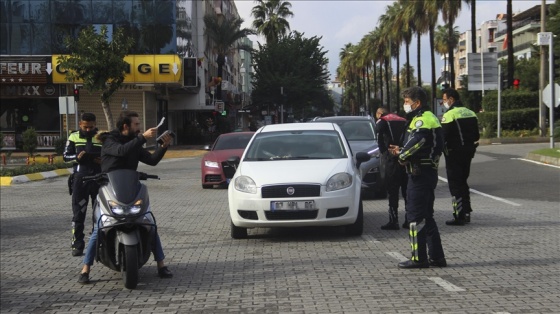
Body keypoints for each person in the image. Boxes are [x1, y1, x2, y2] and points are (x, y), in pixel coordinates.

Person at [77, 110, 174, 284]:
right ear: (125, 126)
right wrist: (142, 138)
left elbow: (151, 160)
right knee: (101, 225)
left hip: (130, 188)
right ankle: (85, 269)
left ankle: (161, 264)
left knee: (149, 222)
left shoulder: (135, 142)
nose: (139, 128)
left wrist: (163, 147)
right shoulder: (109, 140)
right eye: (136, 124)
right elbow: (121, 151)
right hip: (108, 189)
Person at [388, 86, 447, 269]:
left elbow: (418, 142)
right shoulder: (427, 118)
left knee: (414, 217)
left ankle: (418, 257)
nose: (405, 105)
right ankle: (436, 258)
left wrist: (401, 156)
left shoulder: (423, 120)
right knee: (427, 217)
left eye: (407, 101)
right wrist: (403, 151)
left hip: (420, 174)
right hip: (425, 173)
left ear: (417, 102)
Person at [63, 113, 102, 257]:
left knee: (99, 214)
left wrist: (102, 160)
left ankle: (98, 244)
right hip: (81, 180)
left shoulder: (101, 136)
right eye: (85, 127)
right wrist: (77, 158)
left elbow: (109, 156)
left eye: (91, 127)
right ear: (80, 124)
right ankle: (77, 244)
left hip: (99, 179)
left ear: (95, 124)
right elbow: (66, 157)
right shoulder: (73, 137)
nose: (88, 129)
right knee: (79, 214)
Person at [441, 88, 480, 226]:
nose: (443, 103)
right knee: (463, 181)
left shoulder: (450, 115)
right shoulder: (471, 113)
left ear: (451, 99)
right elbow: (476, 136)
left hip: (453, 153)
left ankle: (459, 215)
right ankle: (467, 211)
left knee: (455, 184)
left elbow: (443, 137)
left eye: (444, 100)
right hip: (468, 152)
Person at [375, 106, 408, 230]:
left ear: (379, 114)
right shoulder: (403, 120)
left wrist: (385, 154)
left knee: (393, 191)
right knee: (406, 190)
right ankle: (409, 219)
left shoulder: (382, 121)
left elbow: (379, 141)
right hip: (404, 157)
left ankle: (393, 221)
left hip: (392, 160)